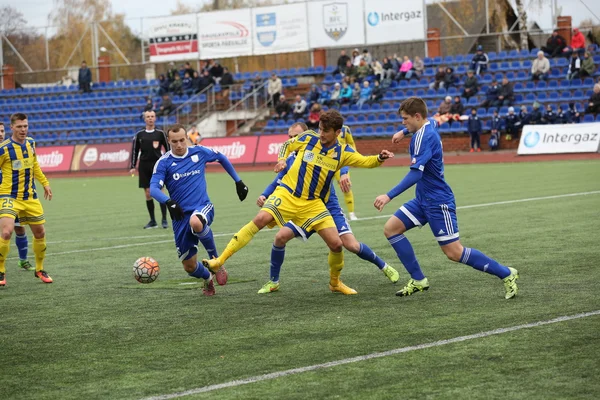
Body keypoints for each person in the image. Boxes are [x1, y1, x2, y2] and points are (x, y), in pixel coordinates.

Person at [202, 110, 394, 295]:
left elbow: (365, 161)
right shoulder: (309, 138)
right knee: (261, 219)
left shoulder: (342, 152)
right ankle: (219, 261)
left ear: (337, 132)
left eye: (325, 131)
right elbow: (287, 146)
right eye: (319, 128)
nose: (321, 134)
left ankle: (335, 283)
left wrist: (379, 158)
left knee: (336, 245)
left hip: (312, 204)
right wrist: (282, 160)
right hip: (288, 194)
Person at [374, 97, 519, 299]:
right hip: (422, 199)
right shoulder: (426, 125)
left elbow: (416, 174)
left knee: (454, 253)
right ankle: (418, 279)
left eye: (405, 119)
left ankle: (507, 273)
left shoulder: (423, 138)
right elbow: (433, 119)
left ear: (417, 116)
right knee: (391, 229)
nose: (402, 122)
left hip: (438, 202)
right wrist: (404, 131)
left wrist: (388, 196)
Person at [254, 123, 400, 293]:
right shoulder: (292, 159)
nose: (293, 140)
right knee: (280, 237)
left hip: (328, 207)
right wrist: (264, 195)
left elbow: (344, 158)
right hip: (304, 209)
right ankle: (273, 281)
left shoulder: (324, 150)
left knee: (350, 245)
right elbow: (278, 179)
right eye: (290, 137)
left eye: (296, 136)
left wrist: (346, 172)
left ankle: (383, 266)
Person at [150, 124, 248, 296]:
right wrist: (169, 202)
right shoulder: (163, 163)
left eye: (182, 140)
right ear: (169, 141)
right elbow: (154, 190)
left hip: (202, 207)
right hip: (180, 216)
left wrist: (238, 181)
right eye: (175, 142)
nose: (179, 145)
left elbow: (221, 157)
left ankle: (216, 261)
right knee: (189, 267)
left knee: (195, 222)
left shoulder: (199, 152)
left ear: (187, 137)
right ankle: (208, 279)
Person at [0, 113, 54, 286]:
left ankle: (39, 269)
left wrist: (45, 183)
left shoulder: (31, 143)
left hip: (30, 197)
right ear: (12, 128)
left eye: (25, 126)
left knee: (40, 233)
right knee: (7, 232)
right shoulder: (4, 148)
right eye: (19, 127)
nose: (23, 130)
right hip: (9, 196)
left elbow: (35, 165)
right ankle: (1, 272)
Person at [0, 122, 33, 271]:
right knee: (6, 232)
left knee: (19, 229)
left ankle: (23, 260)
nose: (0, 134)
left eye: (2, 131)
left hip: (12, 197)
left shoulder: (11, 150)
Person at [130, 111, 170, 229]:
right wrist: (132, 166)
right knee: (148, 193)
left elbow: (167, 150)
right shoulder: (139, 135)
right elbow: (135, 151)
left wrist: (169, 164)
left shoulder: (161, 133)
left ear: (155, 118)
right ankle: (153, 220)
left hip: (158, 166)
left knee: (160, 191)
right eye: (148, 117)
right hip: (144, 166)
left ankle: (164, 219)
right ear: (144, 119)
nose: (150, 119)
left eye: (152, 116)